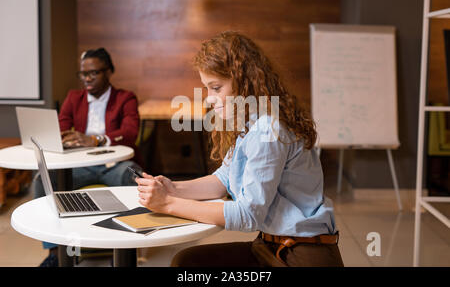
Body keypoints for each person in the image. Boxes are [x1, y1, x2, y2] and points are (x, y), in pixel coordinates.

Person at [135, 31, 344, 267]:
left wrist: (168, 204)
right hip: (270, 245)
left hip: (301, 254)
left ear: (245, 82)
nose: (209, 99)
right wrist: (174, 189)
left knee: (188, 266)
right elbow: (224, 178)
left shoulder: (267, 129)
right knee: (187, 262)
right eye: (207, 89)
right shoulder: (248, 122)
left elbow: (248, 216)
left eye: (216, 88)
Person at [34, 47, 143, 267]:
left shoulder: (125, 98)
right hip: (81, 165)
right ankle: (56, 252)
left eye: (94, 73)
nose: (87, 79)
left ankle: (124, 251)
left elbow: (130, 133)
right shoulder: (74, 98)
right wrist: (63, 138)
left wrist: (95, 140)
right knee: (42, 181)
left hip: (114, 164)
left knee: (134, 175)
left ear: (109, 71)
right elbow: (62, 126)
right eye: (83, 74)